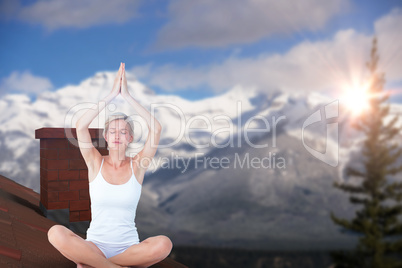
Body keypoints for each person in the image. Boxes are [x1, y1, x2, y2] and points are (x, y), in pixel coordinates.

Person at [48, 63, 172, 268]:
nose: (116, 135)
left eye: (123, 131)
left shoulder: (138, 165)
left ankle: (93, 265)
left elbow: (156, 129)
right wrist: (112, 94)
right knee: (55, 233)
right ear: (105, 136)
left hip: (129, 249)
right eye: (112, 131)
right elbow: (80, 126)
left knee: (163, 244)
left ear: (130, 137)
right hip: (95, 246)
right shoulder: (94, 162)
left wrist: (128, 97)